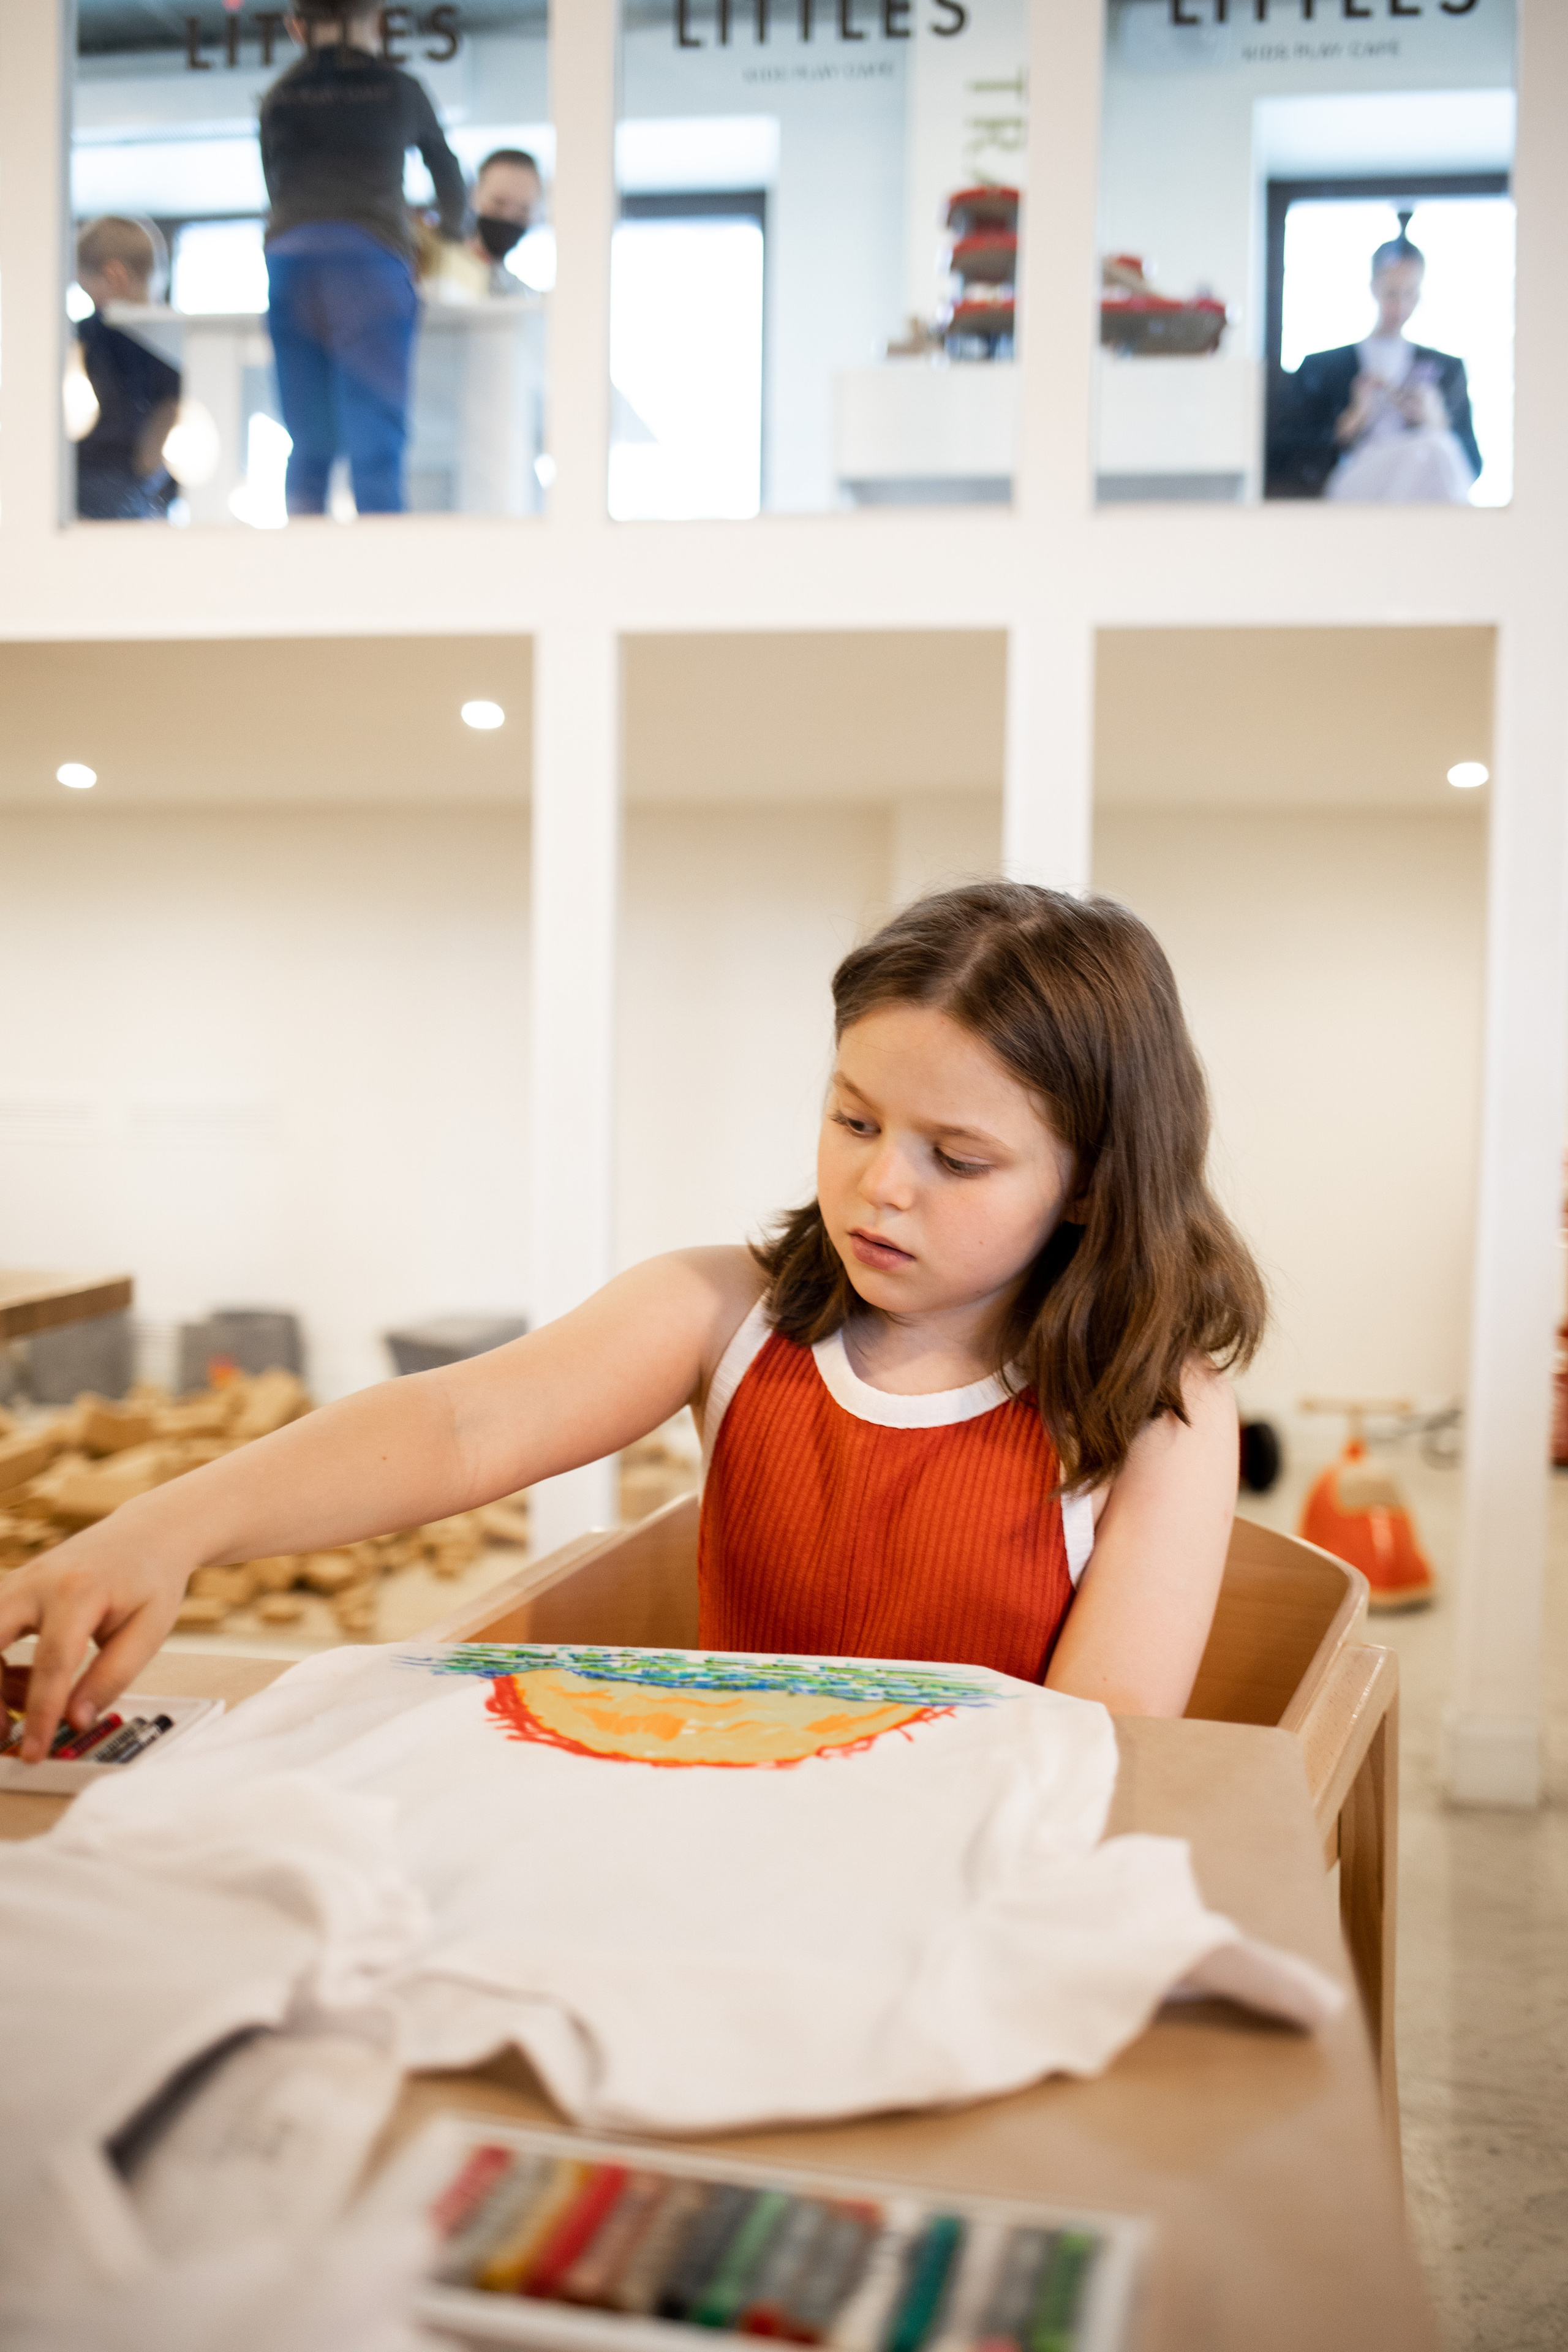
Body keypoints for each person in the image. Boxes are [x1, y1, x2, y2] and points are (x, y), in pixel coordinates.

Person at [5, 885, 1265, 1759]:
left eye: (960, 1157)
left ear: (1091, 1181)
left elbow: (1100, 1746)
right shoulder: (722, 1312)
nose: (882, 1184)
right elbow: (457, 1424)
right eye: (855, 1119)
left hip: (963, 1875)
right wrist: (161, 1531)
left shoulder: (1156, 1402)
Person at [260, 2, 467, 514]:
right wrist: (450, 237)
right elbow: (449, 179)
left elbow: (275, 185)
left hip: (291, 262)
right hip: (367, 262)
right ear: (376, 21)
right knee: (375, 438)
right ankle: (387, 578)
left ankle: (303, 565)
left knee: (308, 439)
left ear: (296, 27)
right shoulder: (400, 88)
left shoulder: (279, 96)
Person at [1268, 234, 1481, 503]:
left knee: (1435, 446)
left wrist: (1436, 421)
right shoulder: (1323, 368)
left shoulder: (1447, 370)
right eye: (1392, 293)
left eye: (1411, 294)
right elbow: (1281, 458)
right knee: (1435, 447)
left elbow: (1472, 467)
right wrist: (1350, 422)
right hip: (1353, 489)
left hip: (1422, 495)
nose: (1401, 306)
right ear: (1374, 287)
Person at [72, 217, 181, 522]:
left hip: (95, 484)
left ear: (114, 275)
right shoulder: (177, 344)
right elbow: (167, 415)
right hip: (144, 491)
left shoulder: (94, 333)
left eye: (87, 290)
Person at [467, 148, 543, 295]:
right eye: (499, 203)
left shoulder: (524, 295)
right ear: (476, 195)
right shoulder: (434, 270)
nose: (508, 217)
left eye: (523, 210)